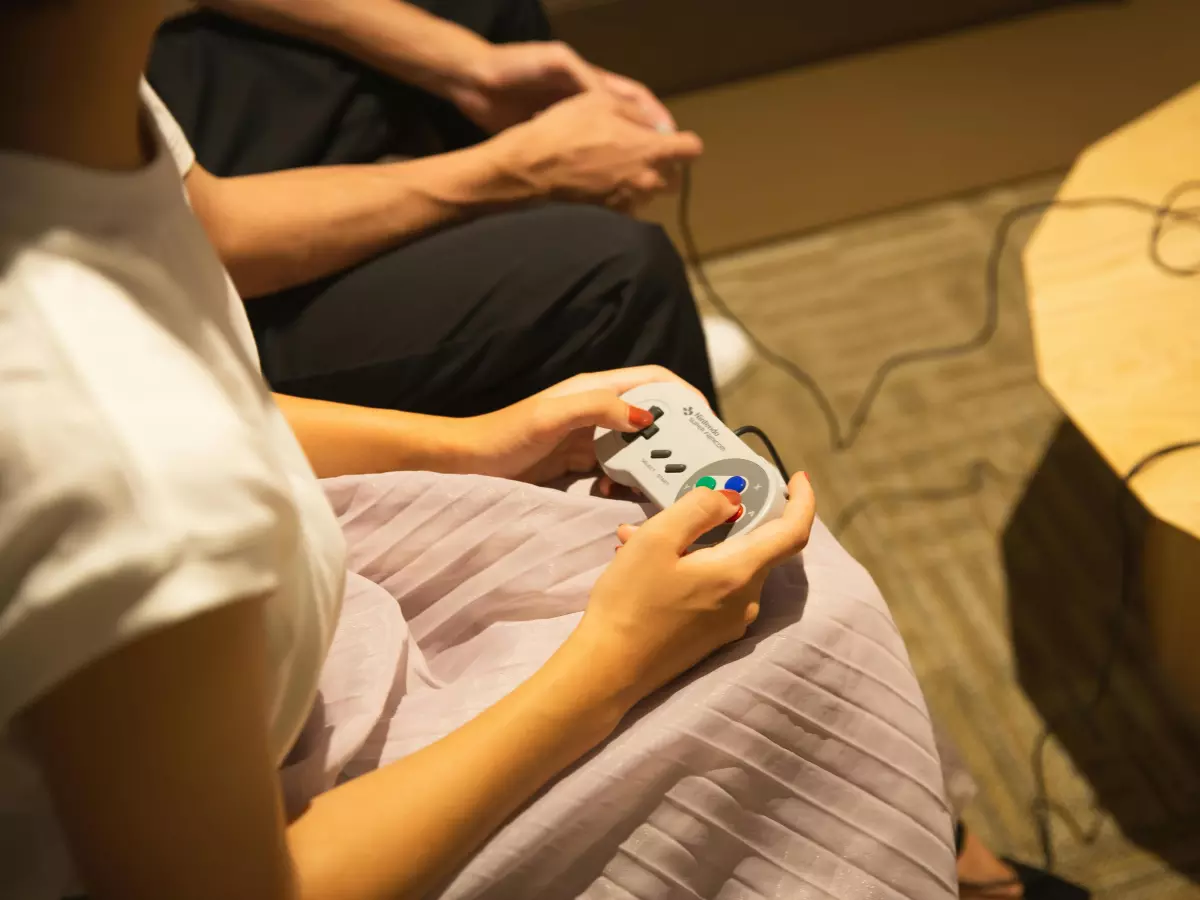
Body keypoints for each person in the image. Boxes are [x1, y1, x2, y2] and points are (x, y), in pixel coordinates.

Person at [0, 4, 1075, 900]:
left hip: (294, 639)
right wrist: (610, 663)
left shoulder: (80, 115)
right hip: (287, 794)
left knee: (774, 591)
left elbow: (222, 372)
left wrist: (478, 446)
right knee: (806, 631)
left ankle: (936, 840)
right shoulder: (110, 449)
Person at [143, 0, 753, 418]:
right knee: (618, 278)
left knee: (480, 11)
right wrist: (517, 170)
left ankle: (571, 349)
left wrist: (469, 66)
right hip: (157, 310)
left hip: (152, 121)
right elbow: (194, 236)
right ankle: (596, 331)